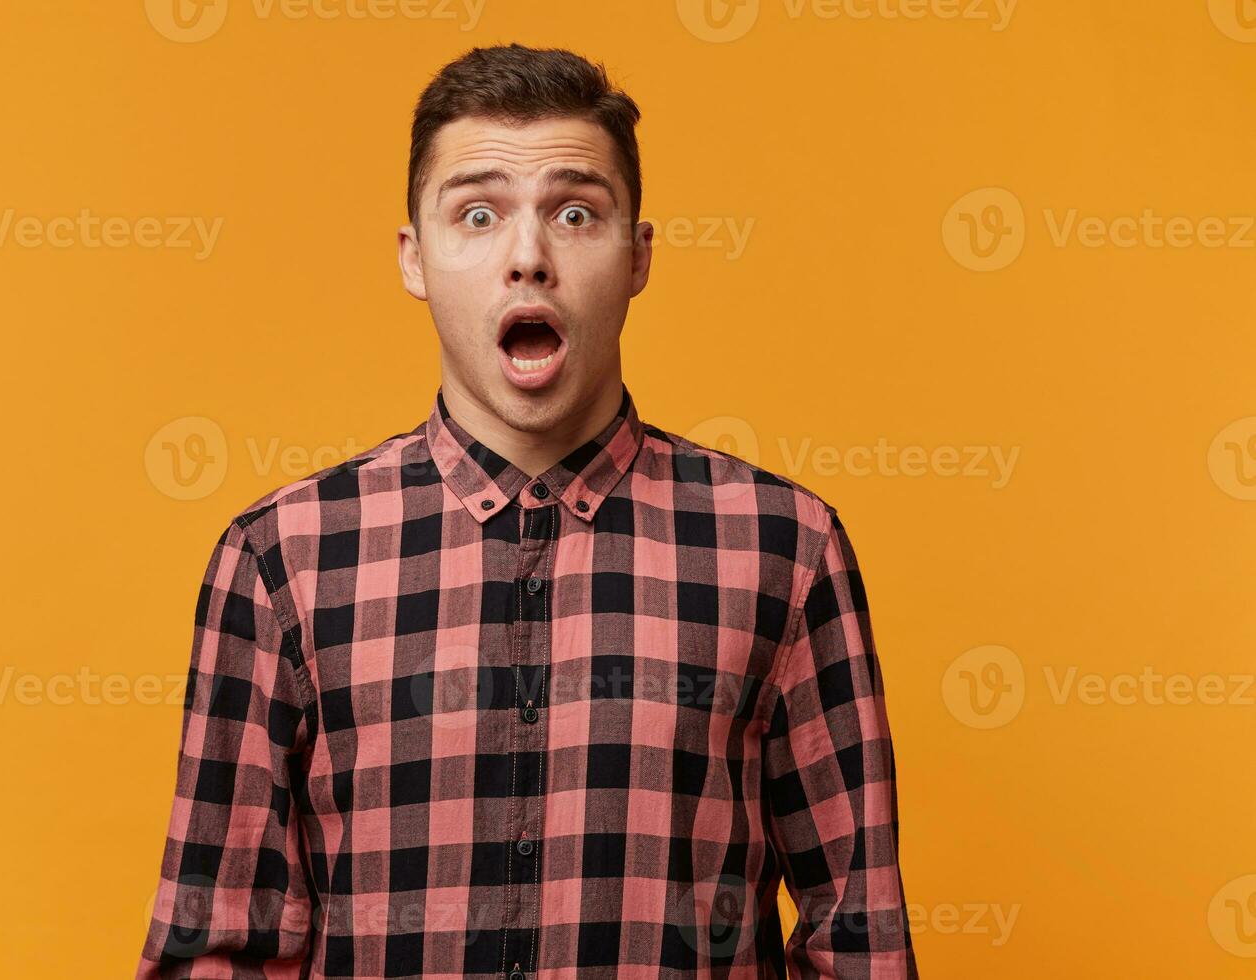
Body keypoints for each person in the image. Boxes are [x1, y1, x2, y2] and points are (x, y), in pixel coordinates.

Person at [135, 42, 917, 980]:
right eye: (477, 214)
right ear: (414, 258)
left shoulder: (785, 550)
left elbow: (859, 938)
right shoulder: (281, 562)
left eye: (576, 213)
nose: (528, 258)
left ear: (637, 257)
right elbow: (216, 945)